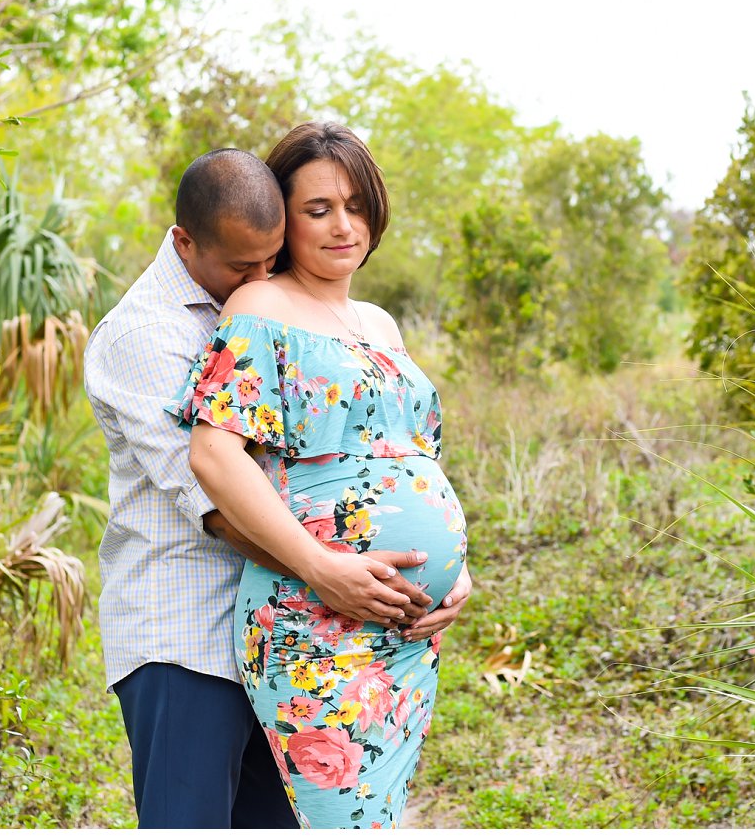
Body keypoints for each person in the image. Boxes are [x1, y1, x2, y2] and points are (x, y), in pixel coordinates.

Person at [85, 148, 471, 828]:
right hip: (187, 629)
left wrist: (448, 569)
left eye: (268, 260)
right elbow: (212, 498)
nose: (260, 276)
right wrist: (330, 572)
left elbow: (402, 457)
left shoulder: (356, 320)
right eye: (244, 265)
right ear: (186, 241)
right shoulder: (145, 334)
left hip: (325, 614)